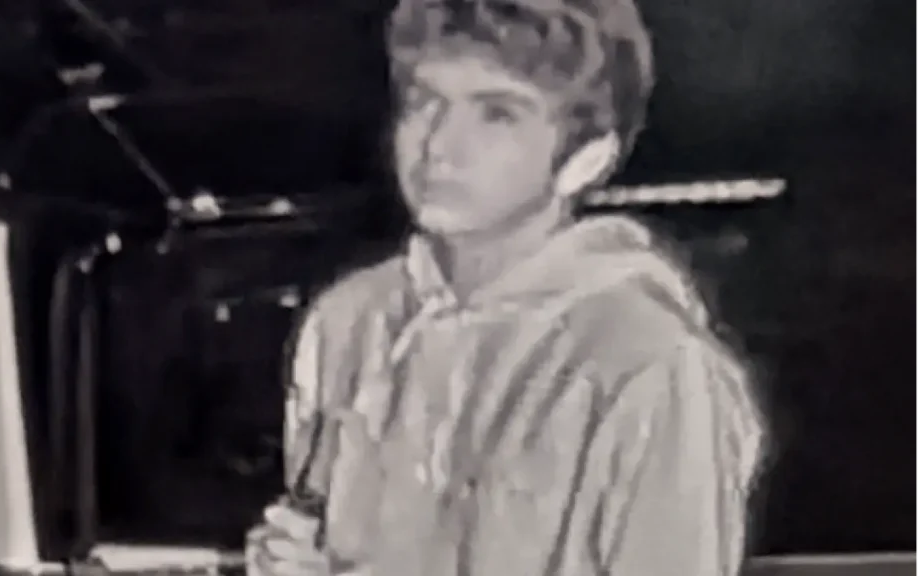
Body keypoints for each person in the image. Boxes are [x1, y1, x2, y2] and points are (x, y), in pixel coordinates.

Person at [246, 0, 768, 574]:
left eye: (497, 115)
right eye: (424, 102)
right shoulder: (348, 323)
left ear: (587, 158)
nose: (439, 146)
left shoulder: (649, 363)